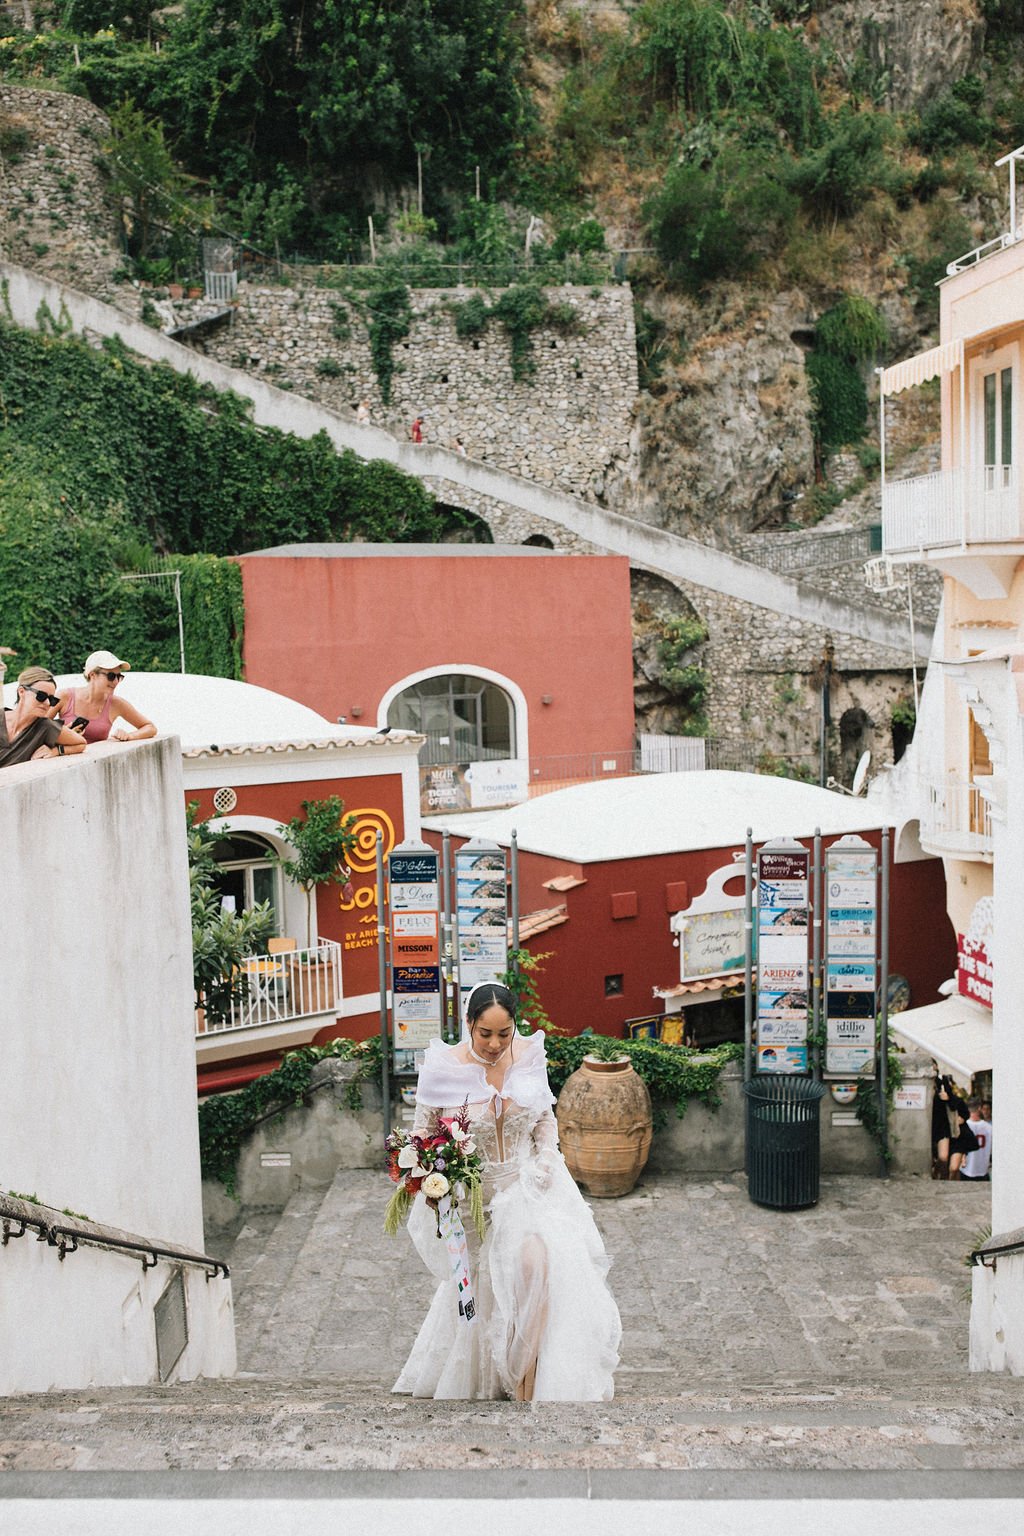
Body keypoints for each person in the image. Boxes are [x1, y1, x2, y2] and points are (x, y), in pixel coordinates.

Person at [392, 982, 621, 1403]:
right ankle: (497, 1373)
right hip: (471, 1201)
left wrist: (548, 1158)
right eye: (486, 1034)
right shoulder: (441, 1068)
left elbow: (543, 1120)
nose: (496, 1044)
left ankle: (524, 1377)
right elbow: (421, 1135)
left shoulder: (530, 1057)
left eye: (505, 1032)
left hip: (527, 1190)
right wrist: (431, 1175)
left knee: (536, 1266)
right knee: (487, 1289)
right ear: (468, 1025)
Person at [57, 651, 156, 744]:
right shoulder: (64, 696)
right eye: (111, 676)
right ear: (92, 675)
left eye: (119, 676)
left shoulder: (116, 703)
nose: (116, 682)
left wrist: (130, 736)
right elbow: (41, 727)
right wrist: (62, 736)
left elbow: (150, 727)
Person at [1, 666, 87, 768]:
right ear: (22, 692)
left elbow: (81, 744)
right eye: (41, 696)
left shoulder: (46, 727)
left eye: (52, 699)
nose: (47, 703)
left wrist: (56, 751)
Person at [960, 1100, 992, 1181]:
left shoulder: (963, 1126)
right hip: (982, 1169)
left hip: (966, 1169)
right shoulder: (989, 1127)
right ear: (979, 1108)